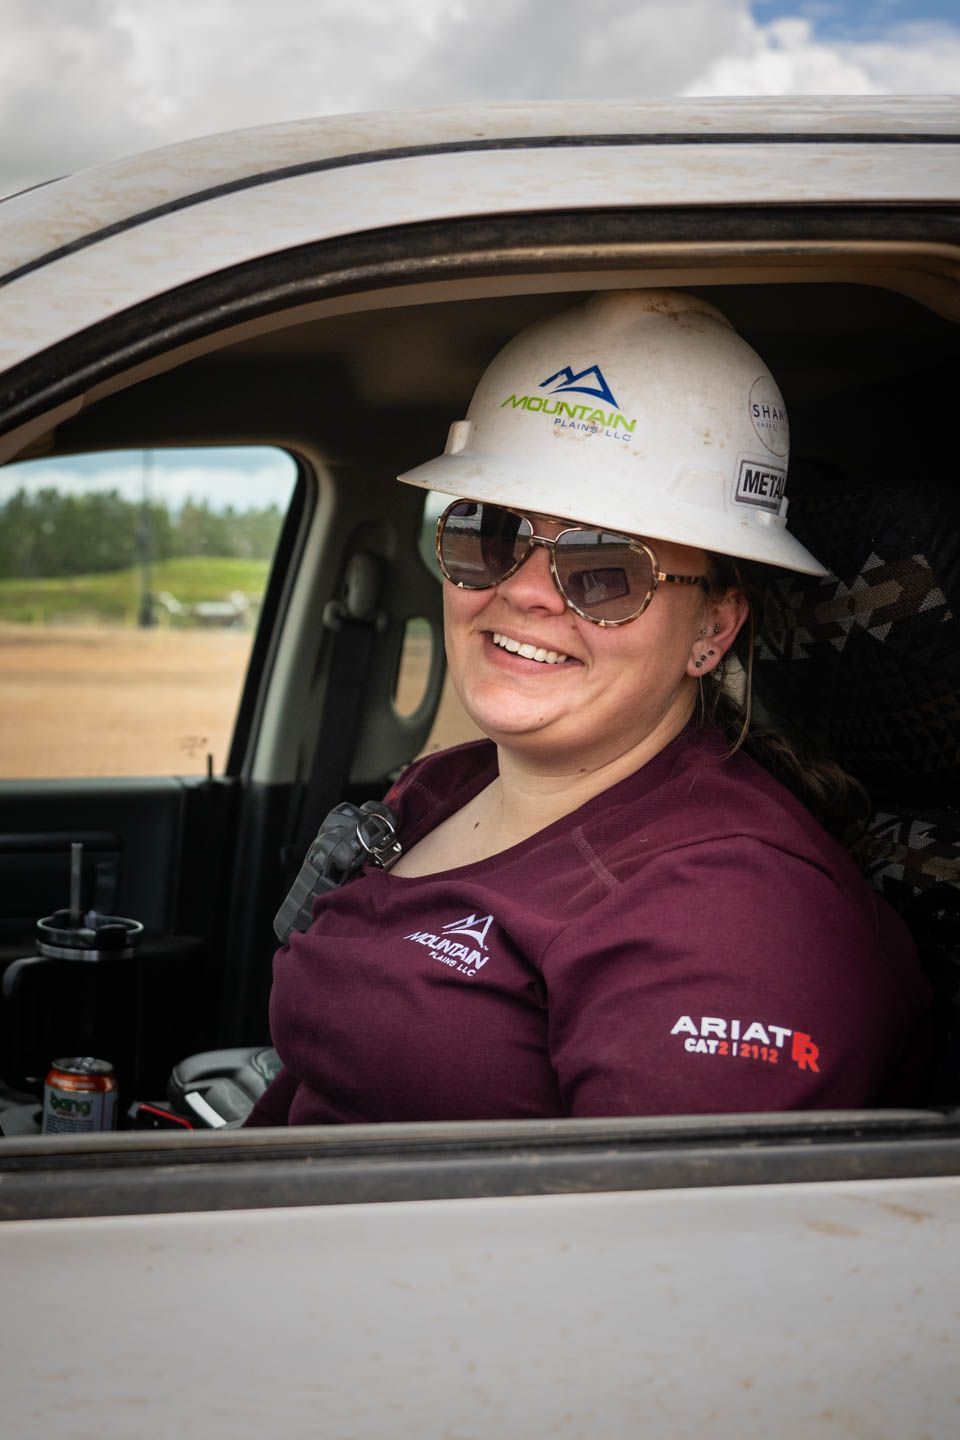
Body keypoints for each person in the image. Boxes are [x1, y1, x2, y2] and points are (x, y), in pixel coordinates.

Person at [246, 289, 930, 1127]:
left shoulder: (731, 910)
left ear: (711, 630)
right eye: (490, 532)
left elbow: (662, 1249)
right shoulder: (438, 790)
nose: (525, 590)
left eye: (606, 568)